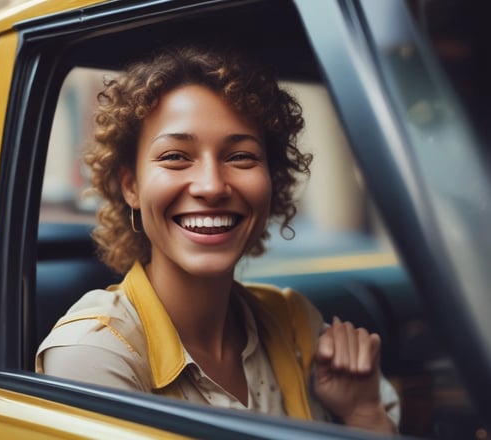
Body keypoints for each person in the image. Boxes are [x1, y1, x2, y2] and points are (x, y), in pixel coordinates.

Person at [36, 45, 399, 433]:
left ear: (271, 183)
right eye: (175, 156)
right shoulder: (93, 352)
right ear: (131, 186)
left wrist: (362, 412)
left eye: (240, 157)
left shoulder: (294, 323)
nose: (211, 186)